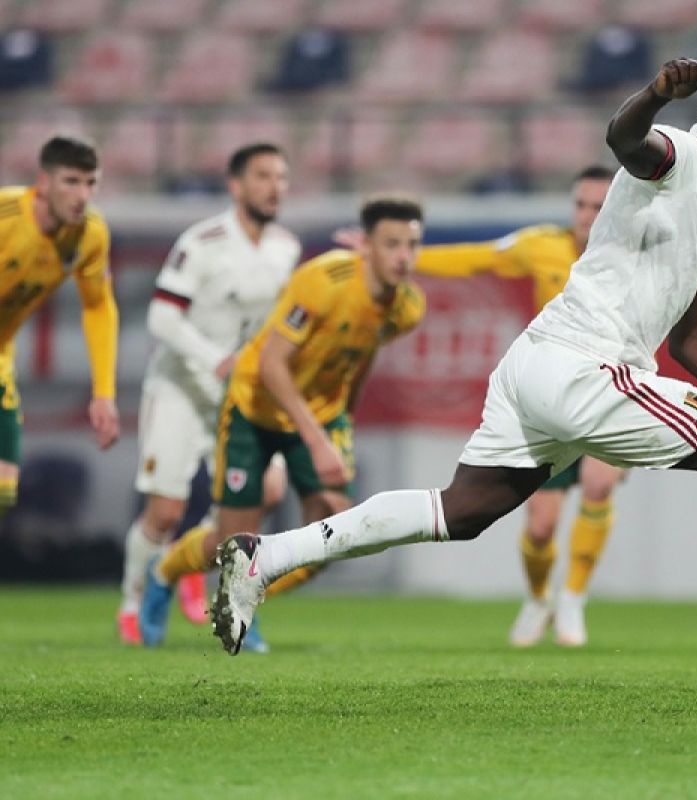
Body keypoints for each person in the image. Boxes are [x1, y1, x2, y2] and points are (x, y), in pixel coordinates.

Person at [212, 59, 697, 698]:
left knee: (460, 511)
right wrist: (653, 93)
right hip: (585, 367)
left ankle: (262, 556)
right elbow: (624, 138)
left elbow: (691, 340)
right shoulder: (680, 153)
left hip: (540, 364)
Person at [403, 165, 697, 648]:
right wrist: (404, 258)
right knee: (540, 527)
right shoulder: (539, 245)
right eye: (579, 206)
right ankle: (539, 597)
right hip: (553, 395)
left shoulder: (638, 253)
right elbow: (474, 259)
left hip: (611, 388)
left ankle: (573, 600)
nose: (585, 216)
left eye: (596, 207)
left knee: (599, 486)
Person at [142, 196, 427, 650]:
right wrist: (317, 441)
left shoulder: (407, 307)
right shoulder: (322, 281)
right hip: (254, 406)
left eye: (412, 245)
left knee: (333, 538)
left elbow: (363, 350)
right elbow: (273, 364)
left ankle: (243, 602)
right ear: (366, 246)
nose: (403, 256)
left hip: (320, 416)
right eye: (391, 244)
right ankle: (162, 574)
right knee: (230, 539)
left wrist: (343, 421)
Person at [116, 143, 301, 645]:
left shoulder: (286, 248)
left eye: (281, 177)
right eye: (262, 176)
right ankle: (133, 602)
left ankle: (200, 570)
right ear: (236, 185)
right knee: (165, 513)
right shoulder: (202, 242)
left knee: (263, 493)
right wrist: (214, 358)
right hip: (180, 386)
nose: (274, 186)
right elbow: (161, 317)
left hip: (237, 395)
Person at [0, 135, 119, 518]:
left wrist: (103, 392)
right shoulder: (6, 218)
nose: (82, 195)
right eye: (71, 181)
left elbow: (98, 306)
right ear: (44, 182)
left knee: (4, 488)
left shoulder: (90, 235)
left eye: (90, 183)